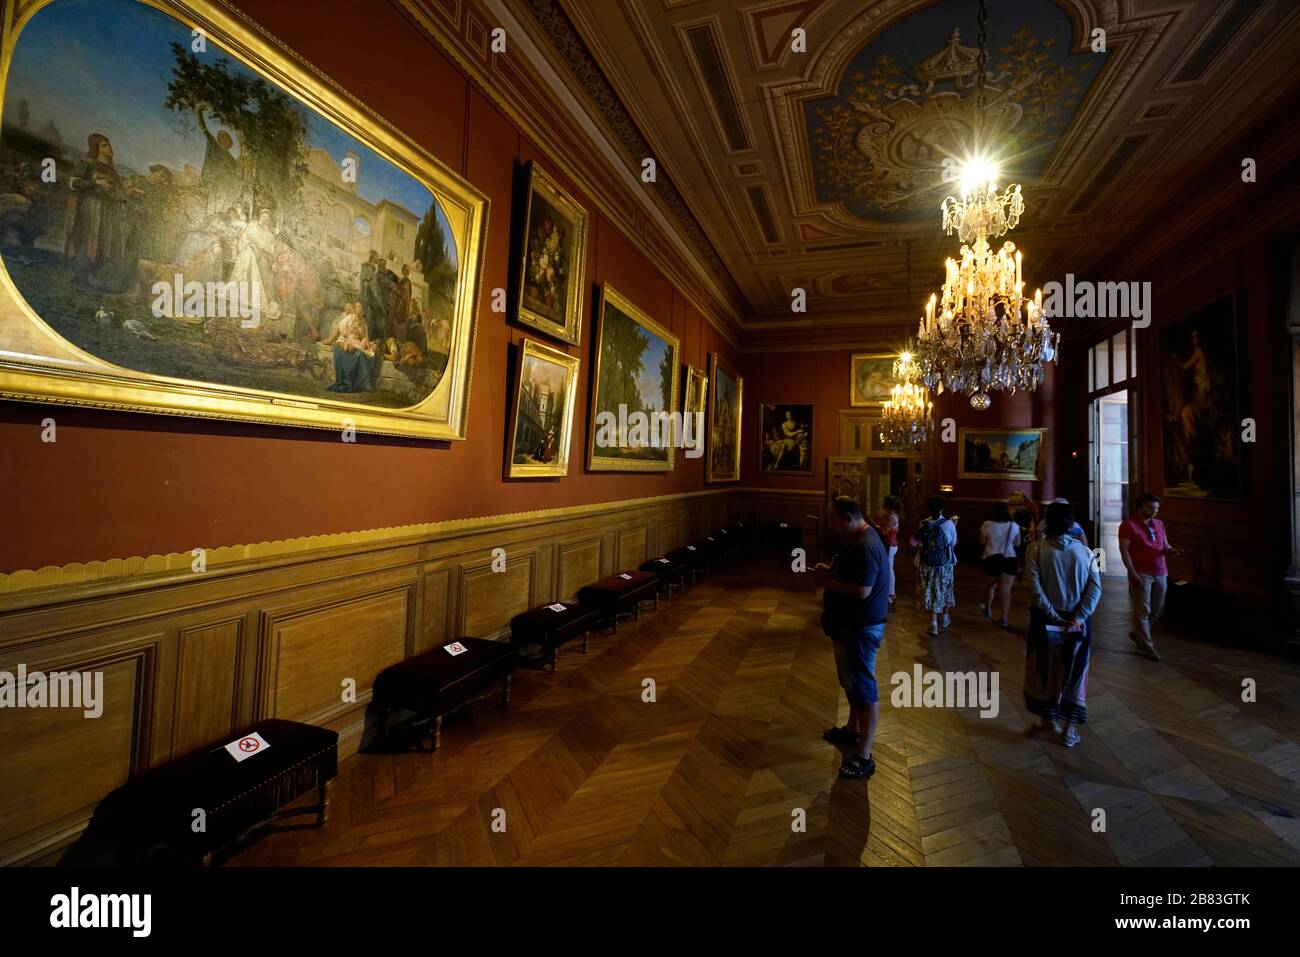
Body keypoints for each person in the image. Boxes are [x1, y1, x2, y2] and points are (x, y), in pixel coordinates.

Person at [814, 496, 891, 779]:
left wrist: (827, 581)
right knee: (853, 683)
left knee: (864, 688)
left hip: (860, 628)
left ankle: (864, 755)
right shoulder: (858, 541)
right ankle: (852, 730)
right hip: (851, 626)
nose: (830, 526)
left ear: (848, 519)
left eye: (833, 520)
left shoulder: (865, 546)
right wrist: (831, 572)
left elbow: (862, 591)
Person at [1024, 502, 1102, 748]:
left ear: (1047, 523)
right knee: (1075, 670)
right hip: (1077, 621)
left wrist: (1053, 616)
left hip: (1045, 619)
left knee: (1045, 666)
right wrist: (1079, 617)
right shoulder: (1087, 552)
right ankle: (1069, 729)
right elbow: (1095, 589)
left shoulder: (1035, 550)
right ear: (1071, 525)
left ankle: (1049, 720)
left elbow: (1035, 589)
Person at [1118, 493, 1179, 661]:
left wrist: (1170, 550)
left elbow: (1164, 544)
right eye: (1150, 507)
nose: (1154, 511)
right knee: (1142, 611)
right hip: (1141, 573)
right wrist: (1131, 572)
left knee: (1157, 609)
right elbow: (1124, 550)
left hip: (1161, 570)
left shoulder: (1159, 524)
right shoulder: (1128, 525)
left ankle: (1139, 635)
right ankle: (1148, 646)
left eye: (1157, 508)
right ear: (1139, 507)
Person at [913, 494, 957, 635]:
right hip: (944, 563)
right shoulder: (949, 524)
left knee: (931, 589)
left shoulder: (924, 523)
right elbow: (953, 544)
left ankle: (933, 623)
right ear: (943, 508)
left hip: (928, 563)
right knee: (945, 587)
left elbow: (917, 542)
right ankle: (944, 617)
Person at [980, 501, 1021, 627]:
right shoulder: (1014, 526)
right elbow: (1017, 543)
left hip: (991, 558)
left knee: (990, 586)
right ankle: (1004, 618)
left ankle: (988, 609)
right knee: (1006, 591)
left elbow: (982, 541)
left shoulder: (987, 525)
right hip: (1009, 559)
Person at [874, 495, 901, 604]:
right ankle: (889, 592)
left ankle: (891, 593)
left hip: (889, 545)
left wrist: (873, 524)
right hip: (890, 544)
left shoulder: (891, 517)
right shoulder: (891, 515)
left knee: (889, 569)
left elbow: (884, 531)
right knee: (889, 568)